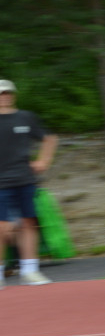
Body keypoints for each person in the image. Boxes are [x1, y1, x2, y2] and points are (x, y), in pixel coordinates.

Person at [0, 78, 59, 288]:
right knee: (3, 227)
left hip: (25, 179)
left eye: (7, 93)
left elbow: (49, 138)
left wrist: (43, 161)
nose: (4, 97)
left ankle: (30, 270)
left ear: (13, 95)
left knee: (29, 223)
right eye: (1, 94)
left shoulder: (25, 117)